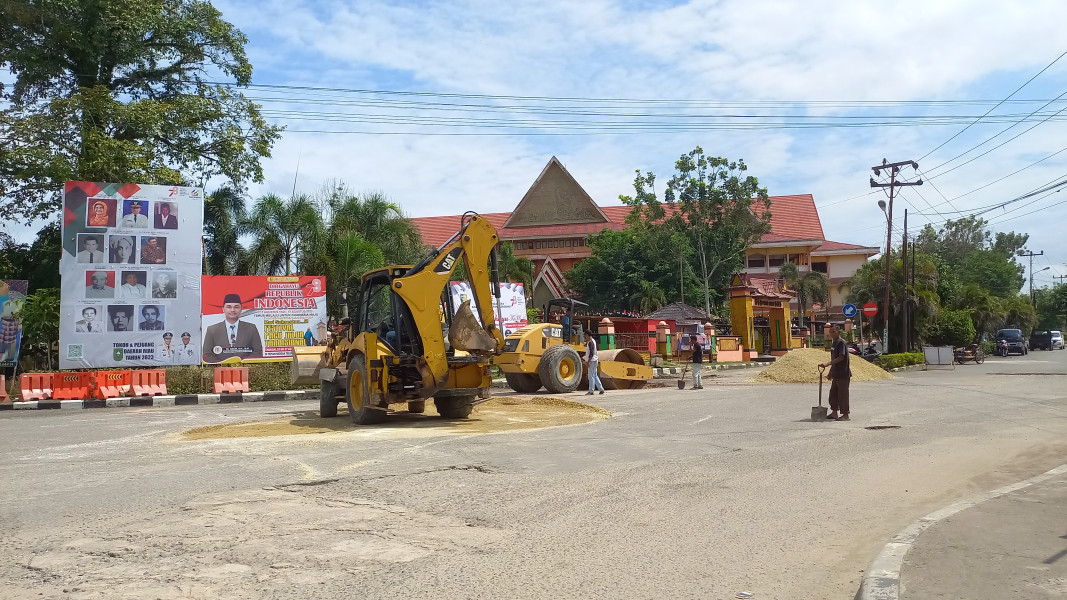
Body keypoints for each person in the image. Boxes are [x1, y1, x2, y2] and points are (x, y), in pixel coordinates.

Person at [202, 293, 263, 362]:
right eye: (229, 307)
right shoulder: (212, 330)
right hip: (220, 369)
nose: (232, 310)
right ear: (223, 309)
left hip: (246, 369)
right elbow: (207, 355)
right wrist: (223, 364)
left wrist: (242, 363)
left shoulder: (251, 328)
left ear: (241, 309)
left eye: (236, 307)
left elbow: (258, 352)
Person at [819, 324, 852, 421]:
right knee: (833, 394)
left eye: (834, 331)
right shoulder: (834, 343)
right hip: (836, 373)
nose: (832, 333)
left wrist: (827, 364)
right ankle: (834, 413)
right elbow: (833, 358)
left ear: (839, 332)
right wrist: (830, 372)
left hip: (843, 373)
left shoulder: (841, 343)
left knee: (843, 395)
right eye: (830, 332)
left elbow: (841, 357)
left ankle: (845, 414)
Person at [584, 328, 604, 395]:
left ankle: (591, 390)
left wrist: (588, 361)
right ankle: (601, 389)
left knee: (591, 376)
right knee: (595, 375)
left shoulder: (590, 343)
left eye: (585, 335)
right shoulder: (593, 341)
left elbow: (591, 353)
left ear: (587, 335)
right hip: (595, 360)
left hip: (592, 360)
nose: (585, 337)